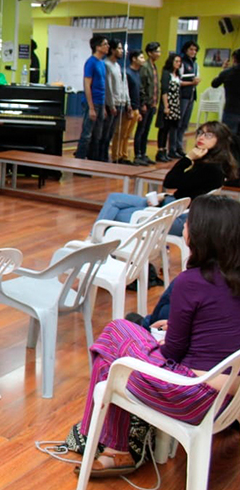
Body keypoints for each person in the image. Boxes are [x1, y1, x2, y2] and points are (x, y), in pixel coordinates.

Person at [74, 194, 240, 478]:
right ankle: (114, 450)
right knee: (112, 355)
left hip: (189, 396)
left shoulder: (192, 281)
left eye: (189, 222)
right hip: (227, 401)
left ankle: (99, 440)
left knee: (117, 332)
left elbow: (171, 354)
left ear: (203, 234)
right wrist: (175, 329)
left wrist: (166, 339)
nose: (184, 227)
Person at [94, 121, 237, 236]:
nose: (201, 137)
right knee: (114, 199)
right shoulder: (211, 164)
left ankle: (95, 242)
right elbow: (192, 189)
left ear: (220, 141)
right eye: (200, 133)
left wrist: (187, 159)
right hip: (173, 206)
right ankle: (96, 242)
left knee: (117, 214)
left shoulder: (211, 168)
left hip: (179, 218)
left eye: (209, 135)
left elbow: (170, 182)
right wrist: (166, 195)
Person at [74, 35, 109, 161]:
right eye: (105, 44)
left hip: (100, 103)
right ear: (97, 47)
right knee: (87, 135)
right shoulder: (91, 62)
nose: (108, 46)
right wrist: (91, 107)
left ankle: (93, 162)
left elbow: (103, 87)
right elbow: (87, 85)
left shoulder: (102, 63)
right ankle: (79, 161)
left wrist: (103, 107)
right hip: (92, 103)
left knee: (97, 136)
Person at [103, 39, 131, 164]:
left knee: (112, 132)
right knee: (106, 133)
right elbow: (108, 86)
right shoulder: (107, 64)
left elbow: (123, 85)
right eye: (119, 48)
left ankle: (108, 157)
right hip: (111, 104)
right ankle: (101, 157)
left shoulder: (118, 66)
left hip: (120, 103)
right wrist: (111, 104)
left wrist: (127, 102)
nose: (121, 51)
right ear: (112, 50)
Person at [134, 42, 162, 165]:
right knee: (141, 130)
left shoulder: (154, 66)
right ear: (150, 53)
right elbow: (142, 87)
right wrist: (143, 103)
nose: (159, 54)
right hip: (145, 104)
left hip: (152, 104)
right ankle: (138, 154)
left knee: (146, 130)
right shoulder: (145, 67)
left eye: (159, 51)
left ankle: (143, 153)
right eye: (156, 51)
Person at [156, 53, 183, 162]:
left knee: (170, 128)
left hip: (175, 104)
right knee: (163, 128)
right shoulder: (166, 74)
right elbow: (164, 91)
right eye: (176, 61)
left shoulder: (177, 75)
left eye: (179, 62)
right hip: (168, 103)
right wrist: (166, 106)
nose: (178, 64)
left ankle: (165, 151)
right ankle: (160, 150)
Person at [176, 41, 202, 155]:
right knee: (179, 122)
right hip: (183, 96)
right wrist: (192, 83)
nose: (193, 52)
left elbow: (196, 78)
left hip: (191, 96)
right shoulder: (182, 62)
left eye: (195, 50)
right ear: (186, 50)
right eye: (191, 49)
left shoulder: (195, 64)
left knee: (185, 123)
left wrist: (196, 82)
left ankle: (180, 146)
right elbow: (178, 81)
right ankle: (175, 146)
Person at [124, 50, 147, 164]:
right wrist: (130, 107)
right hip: (130, 107)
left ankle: (124, 156)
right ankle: (119, 156)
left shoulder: (137, 73)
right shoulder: (127, 73)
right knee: (123, 133)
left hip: (136, 107)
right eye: (141, 57)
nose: (143, 60)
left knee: (128, 134)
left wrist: (140, 106)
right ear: (134, 59)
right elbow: (127, 91)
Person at [212, 48, 240, 137]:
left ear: (234, 59)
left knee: (227, 137)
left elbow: (214, 84)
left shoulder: (227, 72)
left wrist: (223, 70)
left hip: (231, 109)